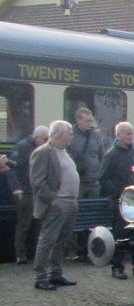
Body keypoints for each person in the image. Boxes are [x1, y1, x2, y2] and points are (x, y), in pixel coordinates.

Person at [29, 120, 80, 290]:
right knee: (48, 239)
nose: (72, 136)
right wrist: (53, 200)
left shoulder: (64, 152)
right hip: (57, 203)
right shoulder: (43, 152)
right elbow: (37, 182)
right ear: (60, 135)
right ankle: (41, 276)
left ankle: (56, 273)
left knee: (62, 240)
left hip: (70, 202)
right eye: (69, 133)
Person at [99, 121, 134, 279]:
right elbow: (103, 177)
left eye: (131, 133)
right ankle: (117, 266)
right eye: (127, 133)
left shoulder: (132, 153)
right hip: (118, 200)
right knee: (120, 234)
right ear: (119, 135)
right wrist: (118, 192)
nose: (130, 136)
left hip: (133, 200)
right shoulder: (111, 154)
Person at [9, 125, 50, 264]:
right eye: (45, 138)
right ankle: (20, 254)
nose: (47, 141)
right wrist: (16, 188)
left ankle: (37, 253)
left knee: (39, 223)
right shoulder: (23, 147)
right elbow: (12, 168)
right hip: (26, 191)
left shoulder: (43, 148)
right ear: (36, 137)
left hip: (38, 191)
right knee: (24, 223)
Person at [67, 107, 103, 198]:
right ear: (78, 120)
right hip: (77, 182)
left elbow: (101, 156)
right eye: (87, 121)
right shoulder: (70, 136)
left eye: (91, 121)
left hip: (94, 182)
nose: (90, 123)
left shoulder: (96, 136)